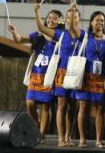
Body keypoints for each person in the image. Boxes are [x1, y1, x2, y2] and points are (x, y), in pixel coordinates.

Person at [7, 8, 63, 145]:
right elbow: (19, 40)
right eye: (49, 17)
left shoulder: (61, 34)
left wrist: (37, 16)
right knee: (30, 103)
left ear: (60, 21)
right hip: (36, 74)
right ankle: (37, 125)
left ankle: (42, 135)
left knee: (45, 107)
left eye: (55, 18)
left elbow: (47, 33)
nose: (51, 20)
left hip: (49, 76)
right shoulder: (38, 34)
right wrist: (14, 32)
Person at [70, 7, 105, 148]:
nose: (100, 23)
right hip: (85, 77)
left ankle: (99, 141)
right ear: (91, 23)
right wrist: (72, 13)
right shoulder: (85, 36)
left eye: (102, 21)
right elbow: (72, 28)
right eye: (97, 20)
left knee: (100, 109)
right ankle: (82, 139)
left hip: (100, 78)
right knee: (83, 107)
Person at [35, 4, 78, 147]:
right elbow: (41, 28)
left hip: (77, 74)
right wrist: (37, 12)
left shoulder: (84, 35)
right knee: (62, 105)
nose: (72, 18)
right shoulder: (61, 34)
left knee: (72, 107)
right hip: (62, 73)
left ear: (78, 19)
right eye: (69, 16)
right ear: (65, 20)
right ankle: (60, 138)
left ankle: (68, 136)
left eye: (75, 16)